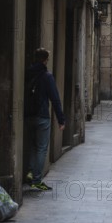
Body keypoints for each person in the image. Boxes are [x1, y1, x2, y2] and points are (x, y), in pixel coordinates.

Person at [24, 48, 65, 191]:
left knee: (32, 146)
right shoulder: (47, 77)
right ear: (46, 60)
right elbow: (55, 99)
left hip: (28, 115)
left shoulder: (27, 73)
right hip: (42, 117)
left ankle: (30, 172)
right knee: (41, 148)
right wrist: (61, 120)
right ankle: (37, 179)